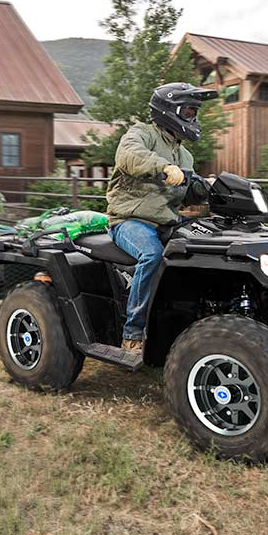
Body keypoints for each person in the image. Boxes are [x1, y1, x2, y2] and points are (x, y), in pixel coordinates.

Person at [104, 82, 216, 351]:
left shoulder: (185, 155)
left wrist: (207, 189)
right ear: (169, 110)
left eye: (194, 112)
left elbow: (187, 195)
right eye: (189, 111)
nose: (193, 118)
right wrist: (163, 166)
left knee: (210, 244)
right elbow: (130, 155)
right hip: (130, 220)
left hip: (167, 222)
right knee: (151, 254)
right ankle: (133, 332)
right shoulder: (141, 134)